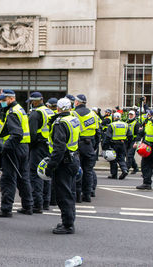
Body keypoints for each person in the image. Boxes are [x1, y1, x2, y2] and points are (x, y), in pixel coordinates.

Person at [45, 98, 80, 234]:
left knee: (63, 195)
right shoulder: (73, 119)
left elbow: (59, 148)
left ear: (58, 109)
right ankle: (69, 220)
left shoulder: (60, 124)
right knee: (70, 192)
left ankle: (68, 225)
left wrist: (50, 166)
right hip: (73, 158)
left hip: (64, 162)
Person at [0, 89, 34, 217]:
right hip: (23, 147)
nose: (1, 102)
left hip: (14, 148)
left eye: (3, 100)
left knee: (8, 178)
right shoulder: (20, 109)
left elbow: (16, 134)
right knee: (23, 177)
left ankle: (6, 209)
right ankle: (28, 206)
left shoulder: (12, 112)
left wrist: (5, 148)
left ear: (11, 99)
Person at [27, 92, 55, 212]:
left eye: (33, 101)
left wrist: (30, 147)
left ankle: (37, 204)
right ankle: (46, 202)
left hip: (38, 146)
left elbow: (32, 134)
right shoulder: (50, 111)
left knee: (36, 174)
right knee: (46, 173)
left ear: (35, 101)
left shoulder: (35, 113)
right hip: (48, 146)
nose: (32, 103)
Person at [72, 94, 100, 203]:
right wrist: (94, 147)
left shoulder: (73, 114)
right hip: (89, 146)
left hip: (78, 145)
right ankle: (87, 195)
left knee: (78, 170)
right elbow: (98, 133)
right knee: (88, 171)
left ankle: (78, 195)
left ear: (77, 102)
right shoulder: (93, 115)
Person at [102, 112, 132, 180]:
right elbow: (130, 135)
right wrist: (128, 144)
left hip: (114, 144)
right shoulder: (125, 124)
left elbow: (108, 136)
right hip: (122, 144)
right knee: (121, 158)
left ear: (114, 117)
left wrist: (105, 145)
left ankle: (114, 174)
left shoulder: (112, 125)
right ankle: (124, 170)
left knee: (113, 159)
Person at [135, 110, 153, 190]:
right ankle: (146, 183)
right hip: (148, 146)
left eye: (149, 114)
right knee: (145, 165)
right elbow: (142, 132)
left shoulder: (150, 121)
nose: (148, 115)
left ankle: (147, 183)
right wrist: (137, 141)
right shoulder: (148, 122)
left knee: (146, 165)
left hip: (150, 146)